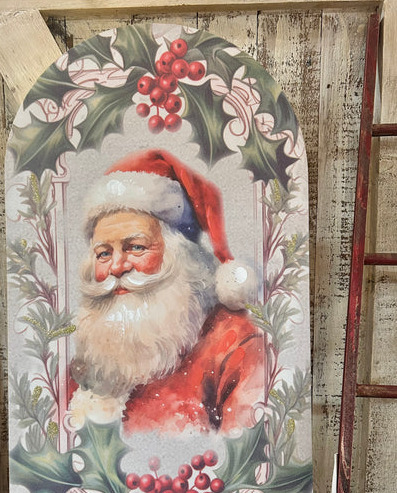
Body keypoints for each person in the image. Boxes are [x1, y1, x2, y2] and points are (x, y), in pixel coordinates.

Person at [68, 149, 264, 437]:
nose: (117, 267)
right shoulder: (91, 357)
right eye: (104, 253)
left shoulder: (234, 346)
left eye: (136, 247)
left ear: (180, 255)